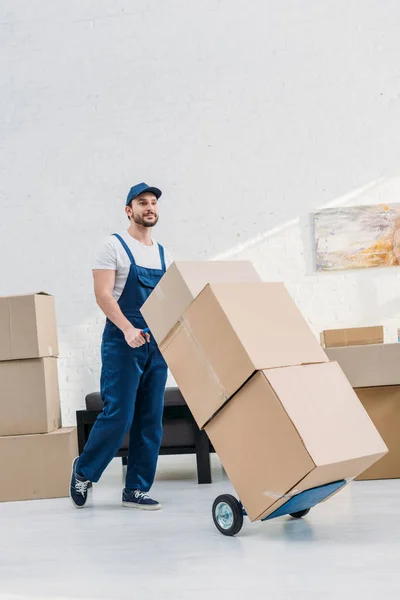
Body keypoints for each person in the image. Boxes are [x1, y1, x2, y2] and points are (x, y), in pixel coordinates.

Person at [70, 182, 173, 510]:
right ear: (129, 210)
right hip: (121, 341)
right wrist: (128, 329)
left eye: (153, 202)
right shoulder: (112, 246)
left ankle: (136, 490)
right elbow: (103, 294)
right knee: (119, 414)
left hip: (156, 345)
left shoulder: (164, 254)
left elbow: (168, 302)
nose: (149, 207)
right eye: (142, 202)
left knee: (151, 418)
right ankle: (83, 471)